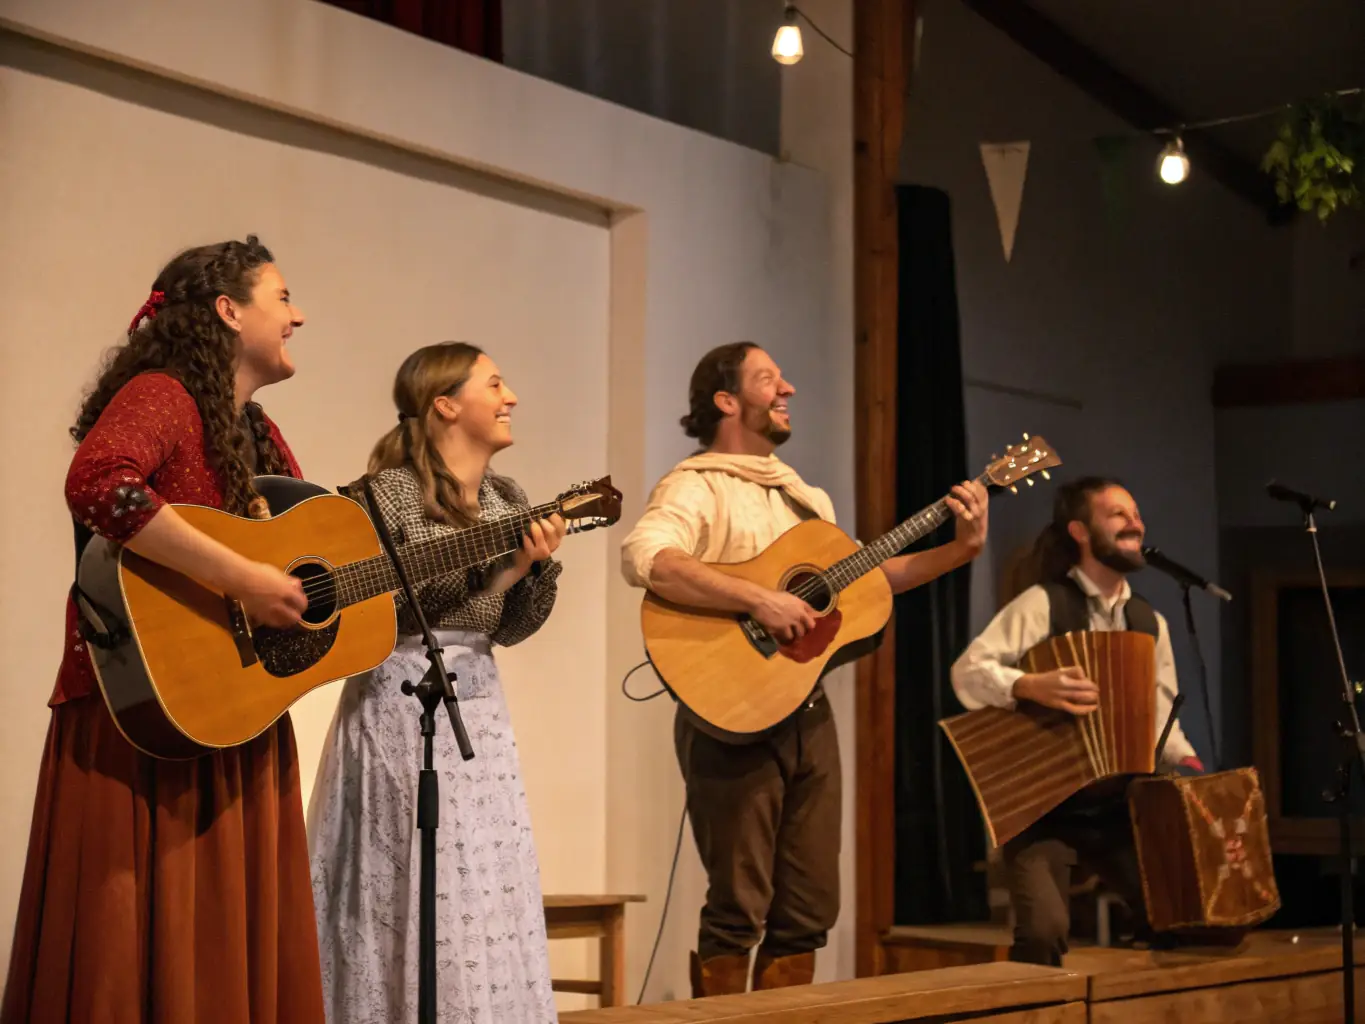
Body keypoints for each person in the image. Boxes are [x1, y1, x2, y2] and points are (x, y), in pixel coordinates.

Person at [1, 237, 324, 1023]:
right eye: (282, 298)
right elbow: (99, 485)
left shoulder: (259, 432)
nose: (298, 315)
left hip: (231, 706)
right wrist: (242, 579)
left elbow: (294, 547)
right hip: (144, 710)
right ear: (227, 310)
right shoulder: (162, 394)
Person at [619, 341, 989, 996]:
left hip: (807, 712)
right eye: (768, 379)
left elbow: (865, 580)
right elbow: (647, 558)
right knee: (738, 906)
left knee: (810, 910)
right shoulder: (696, 485)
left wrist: (958, 552)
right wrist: (758, 597)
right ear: (726, 401)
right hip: (731, 714)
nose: (786, 388)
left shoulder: (804, 498)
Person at [307, 341, 566, 1023]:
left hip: (475, 700)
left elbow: (508, 628)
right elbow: (388, 604)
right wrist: (493, 565)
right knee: (405, 875)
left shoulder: (510, 497)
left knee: (475, 880)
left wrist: (528, 571)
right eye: (496, 384)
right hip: (398, 693)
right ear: (446, 404)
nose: (510, 399)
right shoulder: (388, 492)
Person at [950, 475, 1205, 967]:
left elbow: (1160, 714)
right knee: (1044, 934)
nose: (1135, 522)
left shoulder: (1150, 623)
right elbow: (967, 671)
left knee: (1177, 917)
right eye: (1118, 515)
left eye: (1135, 513)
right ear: (1081, 532)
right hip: (1043, 805)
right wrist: (1027, 685)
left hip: (1115, 805)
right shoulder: (1043, 603)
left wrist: (1189, 764)